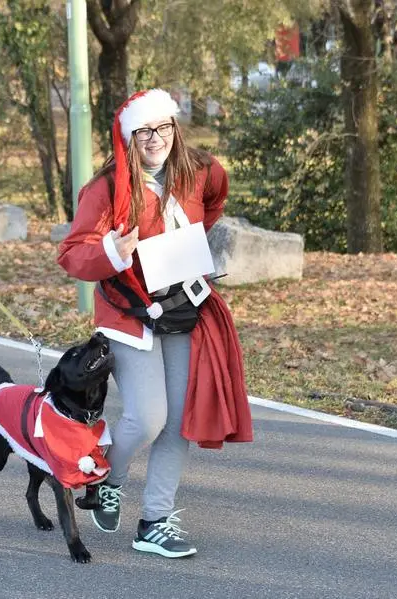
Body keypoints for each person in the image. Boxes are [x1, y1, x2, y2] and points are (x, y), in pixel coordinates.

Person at [58, 89, 253, 558]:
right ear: (129, 137)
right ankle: (107, 480)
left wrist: (183, 244)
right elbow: (71, 253)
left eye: (163, 127)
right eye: (144, 130)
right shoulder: (106, 188)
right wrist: (111, 252)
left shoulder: (199, 170)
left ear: (175, 127)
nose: (155, 138)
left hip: (184, 310)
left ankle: (155, 521)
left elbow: (215, 198)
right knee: (148, 418)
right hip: (129, 316)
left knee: (180, 422)